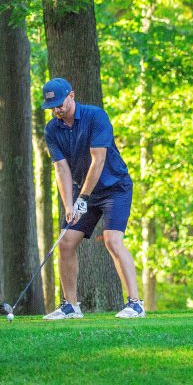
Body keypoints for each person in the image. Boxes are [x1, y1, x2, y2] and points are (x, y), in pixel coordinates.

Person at [40, 77, 145, 320]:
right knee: (65, 242)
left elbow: (98, 160)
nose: (57, 109)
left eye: (60, 104)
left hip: (114, 187)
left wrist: (82, 198)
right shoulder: (52, 129)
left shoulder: (96, 116)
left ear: (72, 96)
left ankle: (135, 304)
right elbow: (61, 169)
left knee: (112, 240)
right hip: (85, 193)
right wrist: (69, 204)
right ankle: (71, 307)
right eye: (52, 107)